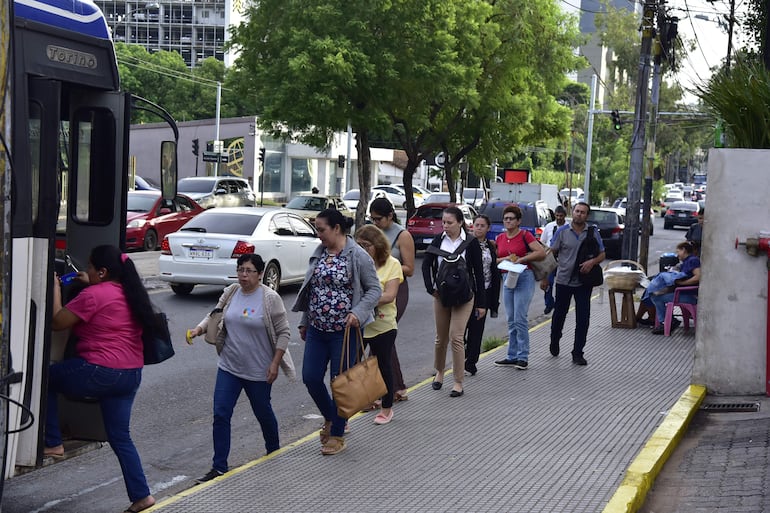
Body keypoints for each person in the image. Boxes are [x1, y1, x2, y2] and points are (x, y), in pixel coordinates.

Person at [47, 245, 158, 513]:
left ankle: (53, 443)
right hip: (130, 374)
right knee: (121, 437)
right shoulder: (130, 293)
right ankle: (142, 496)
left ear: (103, 271)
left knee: (45, 380)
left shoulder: (94, 294)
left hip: (100, 371)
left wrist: (54, 288)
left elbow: (58, 321)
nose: (86, 271)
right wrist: (89, 280)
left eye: (90, 268)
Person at [187, 254, 295, 482]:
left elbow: (284, 333)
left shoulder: (270, 298)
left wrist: (275, 363)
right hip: (229, 366)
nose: (244, 275)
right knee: (220, 414)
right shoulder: (232, 292)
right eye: (240, 270)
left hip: (259, 369)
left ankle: (274, 451)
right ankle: (219, 467)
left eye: (249, 271)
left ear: (260, 274)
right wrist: (198, 329)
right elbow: (215, 315)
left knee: (263, 412)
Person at [292, 208, 381, 455]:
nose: (318, 235)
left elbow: (375, 290)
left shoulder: (358, 256)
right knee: (310, 377)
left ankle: (338, 434)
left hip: (345, 332)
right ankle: (331, 417)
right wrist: (304, 320)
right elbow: (312, 290)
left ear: (337, 228)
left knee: (340, 383)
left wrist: (358, 313)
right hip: (317, 329)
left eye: (322, 230)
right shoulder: (319, 254)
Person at [422, 206, 485, 397]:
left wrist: (481, 303)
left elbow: (479, 274)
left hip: (465, 296)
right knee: (441, 338)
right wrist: (430, 288)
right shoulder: (438, 240)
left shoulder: (471, 242)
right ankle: (439, 372)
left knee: (456, 337)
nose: (445, 226)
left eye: (449, 223)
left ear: (460, 223)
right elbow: (425, 265)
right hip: (442, 296)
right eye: (443, 222)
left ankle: (458, 381)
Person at [542, 202, 605, 366]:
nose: (579, 214)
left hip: (584, 282)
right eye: (577, 211)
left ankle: (578, 352)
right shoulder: (562, 232)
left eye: (583, 212)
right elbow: (550, 254)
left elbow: (602, 254)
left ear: (587, 216)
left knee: (583, 319)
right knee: (559, 315)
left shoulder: (592, 232)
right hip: (563, 280)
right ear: (573, 212)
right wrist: (545, 277)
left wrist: (592, 262)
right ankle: (554, 339)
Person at [354, 225, 404, 424]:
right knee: (350, 368)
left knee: (383, 364)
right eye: (359, 245)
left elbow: (390, 295)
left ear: (378, 245)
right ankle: (347, 413)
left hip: (383, 324)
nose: (363, 249)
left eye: (367, 245)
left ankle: (386, 408)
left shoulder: (392, 264)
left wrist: (364, 301)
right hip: (358, 323)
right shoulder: (356, 262)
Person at [369, 197, 414, 401]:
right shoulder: (371, 233)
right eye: (372, 219)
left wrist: (387, 264)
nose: (375, 223)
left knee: (384, 335)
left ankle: (379, 391)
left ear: (390, 216)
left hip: (395, 288)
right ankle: (397, 387)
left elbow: (410, 268)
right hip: (373, 287)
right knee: (384, 340)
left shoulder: (402, 235)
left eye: (379, 219)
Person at [493, 205, 546, 369]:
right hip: (507, 276)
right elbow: (495, 260)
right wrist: (506, 259)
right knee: (510, 318)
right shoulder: (500, 238)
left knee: (520, 317)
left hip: (523, 276)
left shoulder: (525, 235)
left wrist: (521, 259)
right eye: (505, 218)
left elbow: (541, 252)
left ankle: (523, 356)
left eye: (511, 219)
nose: (508, 221)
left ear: (518, 221)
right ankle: (512, 355)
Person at [464, 214, 500, 375]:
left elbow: (493, 267)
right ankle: (462, 355)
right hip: (468, 291)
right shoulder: (467, 244)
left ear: (488, 228)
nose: (478, 228)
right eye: (476, 225)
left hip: (485, 291)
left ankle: (471, 361)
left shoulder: (490, 246)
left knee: (477, 328)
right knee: (462, 326)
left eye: (481, 225)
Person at [650, 241, 701, 334]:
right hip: (684, 292)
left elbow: (698, 277)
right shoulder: (686, 262)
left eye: (678, 252)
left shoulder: (693, 260)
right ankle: (667, 320)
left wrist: (683, 283)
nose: (677, 255)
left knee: (656, 297)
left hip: (689, 295)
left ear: (684, 250)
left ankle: (665, 321)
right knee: (656, 293)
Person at [540, 205, 568, 314]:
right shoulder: (549, 226)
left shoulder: (568, 228)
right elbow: (543, 242)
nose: (559, 218)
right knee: (548, 282)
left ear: (565, 216)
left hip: (563, 258)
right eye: (557, 215)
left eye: (561, 216)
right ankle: (549, 303)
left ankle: (560, 304)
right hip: (550, 258)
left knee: (561, 283)